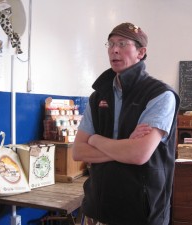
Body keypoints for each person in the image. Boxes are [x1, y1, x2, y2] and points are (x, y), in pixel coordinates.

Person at [73, 22, 180, 225]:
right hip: (99, 208)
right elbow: (78, 151)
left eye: (122, 44)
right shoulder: (98, 97)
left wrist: (95, 139)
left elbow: (138, 154)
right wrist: (124, 147)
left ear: (141, 52)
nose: (114, 49)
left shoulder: (160, 95)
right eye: (111, 44)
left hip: (142, 213)